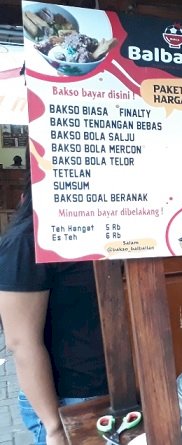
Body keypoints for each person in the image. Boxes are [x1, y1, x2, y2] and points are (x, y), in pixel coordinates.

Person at [0, 177, 108, 445]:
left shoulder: (102, 229)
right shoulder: (25, 242)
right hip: (68, 399)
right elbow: (21, 343)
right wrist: (53, 426)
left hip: (112, 389)